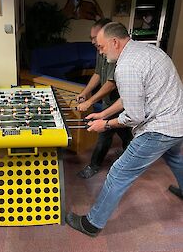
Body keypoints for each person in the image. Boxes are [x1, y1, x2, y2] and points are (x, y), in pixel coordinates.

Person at [66, 22, 183, 237]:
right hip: (178, 121)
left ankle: (92, 224)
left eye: (100, 47)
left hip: (159, 128)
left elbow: (134, 116)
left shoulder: (126, 66)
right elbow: (129, 96)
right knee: (176, 159)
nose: (99, 51)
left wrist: (105, 124)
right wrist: (102, 113)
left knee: (118, 173)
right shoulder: (145, 50)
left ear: (114, 42)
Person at [76, 18, 132, 179]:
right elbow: (98, 73)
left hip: (122, 103)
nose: (93, 42)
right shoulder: (101, 49)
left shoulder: (117, 53)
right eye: (91, 38)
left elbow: (111, 83)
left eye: (96, 38)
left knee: (108, 134)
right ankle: (126, 152)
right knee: (123, 133)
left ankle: (95, 165)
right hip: (112, 103)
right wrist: (85, 92)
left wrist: (90, 102)